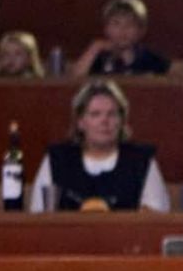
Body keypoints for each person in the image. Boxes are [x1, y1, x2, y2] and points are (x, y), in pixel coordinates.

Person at [29, 79, 170, 212]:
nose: (104, 121)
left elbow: (155, 216)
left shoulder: (141, 161)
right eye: (95, 114)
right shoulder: (57, 159)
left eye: (112, 114)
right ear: (80, 122)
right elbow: (38, 214)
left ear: (121, 121)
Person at [71, 0, 170, 78]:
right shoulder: (99, 57)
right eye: (116, 24)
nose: (123, 30)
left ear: (141, 30)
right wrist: (94, 48)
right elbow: (74, 79)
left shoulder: (151, 59)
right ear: (106, 28)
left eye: (130, 24)